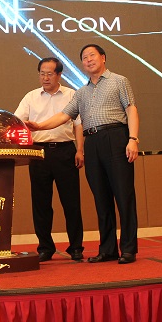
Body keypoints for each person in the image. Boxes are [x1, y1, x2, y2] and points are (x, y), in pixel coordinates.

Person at [25, 45, 140, 264]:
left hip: (116, 137)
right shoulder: (81, 92)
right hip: (92, 142)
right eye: (84, 58)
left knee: (123, 195)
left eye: (92, 56)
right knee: (101, 198)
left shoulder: (119, 81)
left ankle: (128, 248)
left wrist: (133, 139)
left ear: (103, 58)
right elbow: (63, 116)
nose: (88, 60)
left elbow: (131, 109)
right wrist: (39, 126)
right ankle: (107, 249)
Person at [14, 57, 85, 263]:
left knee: (71, 202)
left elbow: (78, 125)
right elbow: (18, 122)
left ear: (59, 75)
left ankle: (76, 247)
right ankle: (45, 247)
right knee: (41, 203)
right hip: (39, 153)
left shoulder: (71, 95)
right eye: (42, 73)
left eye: (49, 74)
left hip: (65, 151)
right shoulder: (30, 97)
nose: (45, 78)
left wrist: (80, 150)